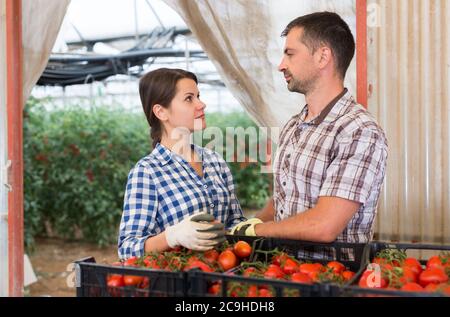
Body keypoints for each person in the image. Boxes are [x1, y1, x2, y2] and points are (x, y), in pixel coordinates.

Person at [231, 12, 388, 259]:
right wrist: (242, 229)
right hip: (284, 271)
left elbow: (324, 226)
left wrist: (258, 230)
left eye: (290, 54)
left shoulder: (358, 131)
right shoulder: (293, 126)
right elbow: (282, 203)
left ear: (322, 56)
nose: (281, 64)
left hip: (331, 280)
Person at [118, 68, 245, 260]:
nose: (201, 104)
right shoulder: (148, 173)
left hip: (223, 278)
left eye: (198, 96)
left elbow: (234, 223)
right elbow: (127, 249)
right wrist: (171, 236)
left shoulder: (215, 162)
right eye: (189, 98)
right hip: (179, 281)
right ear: (161, 112)